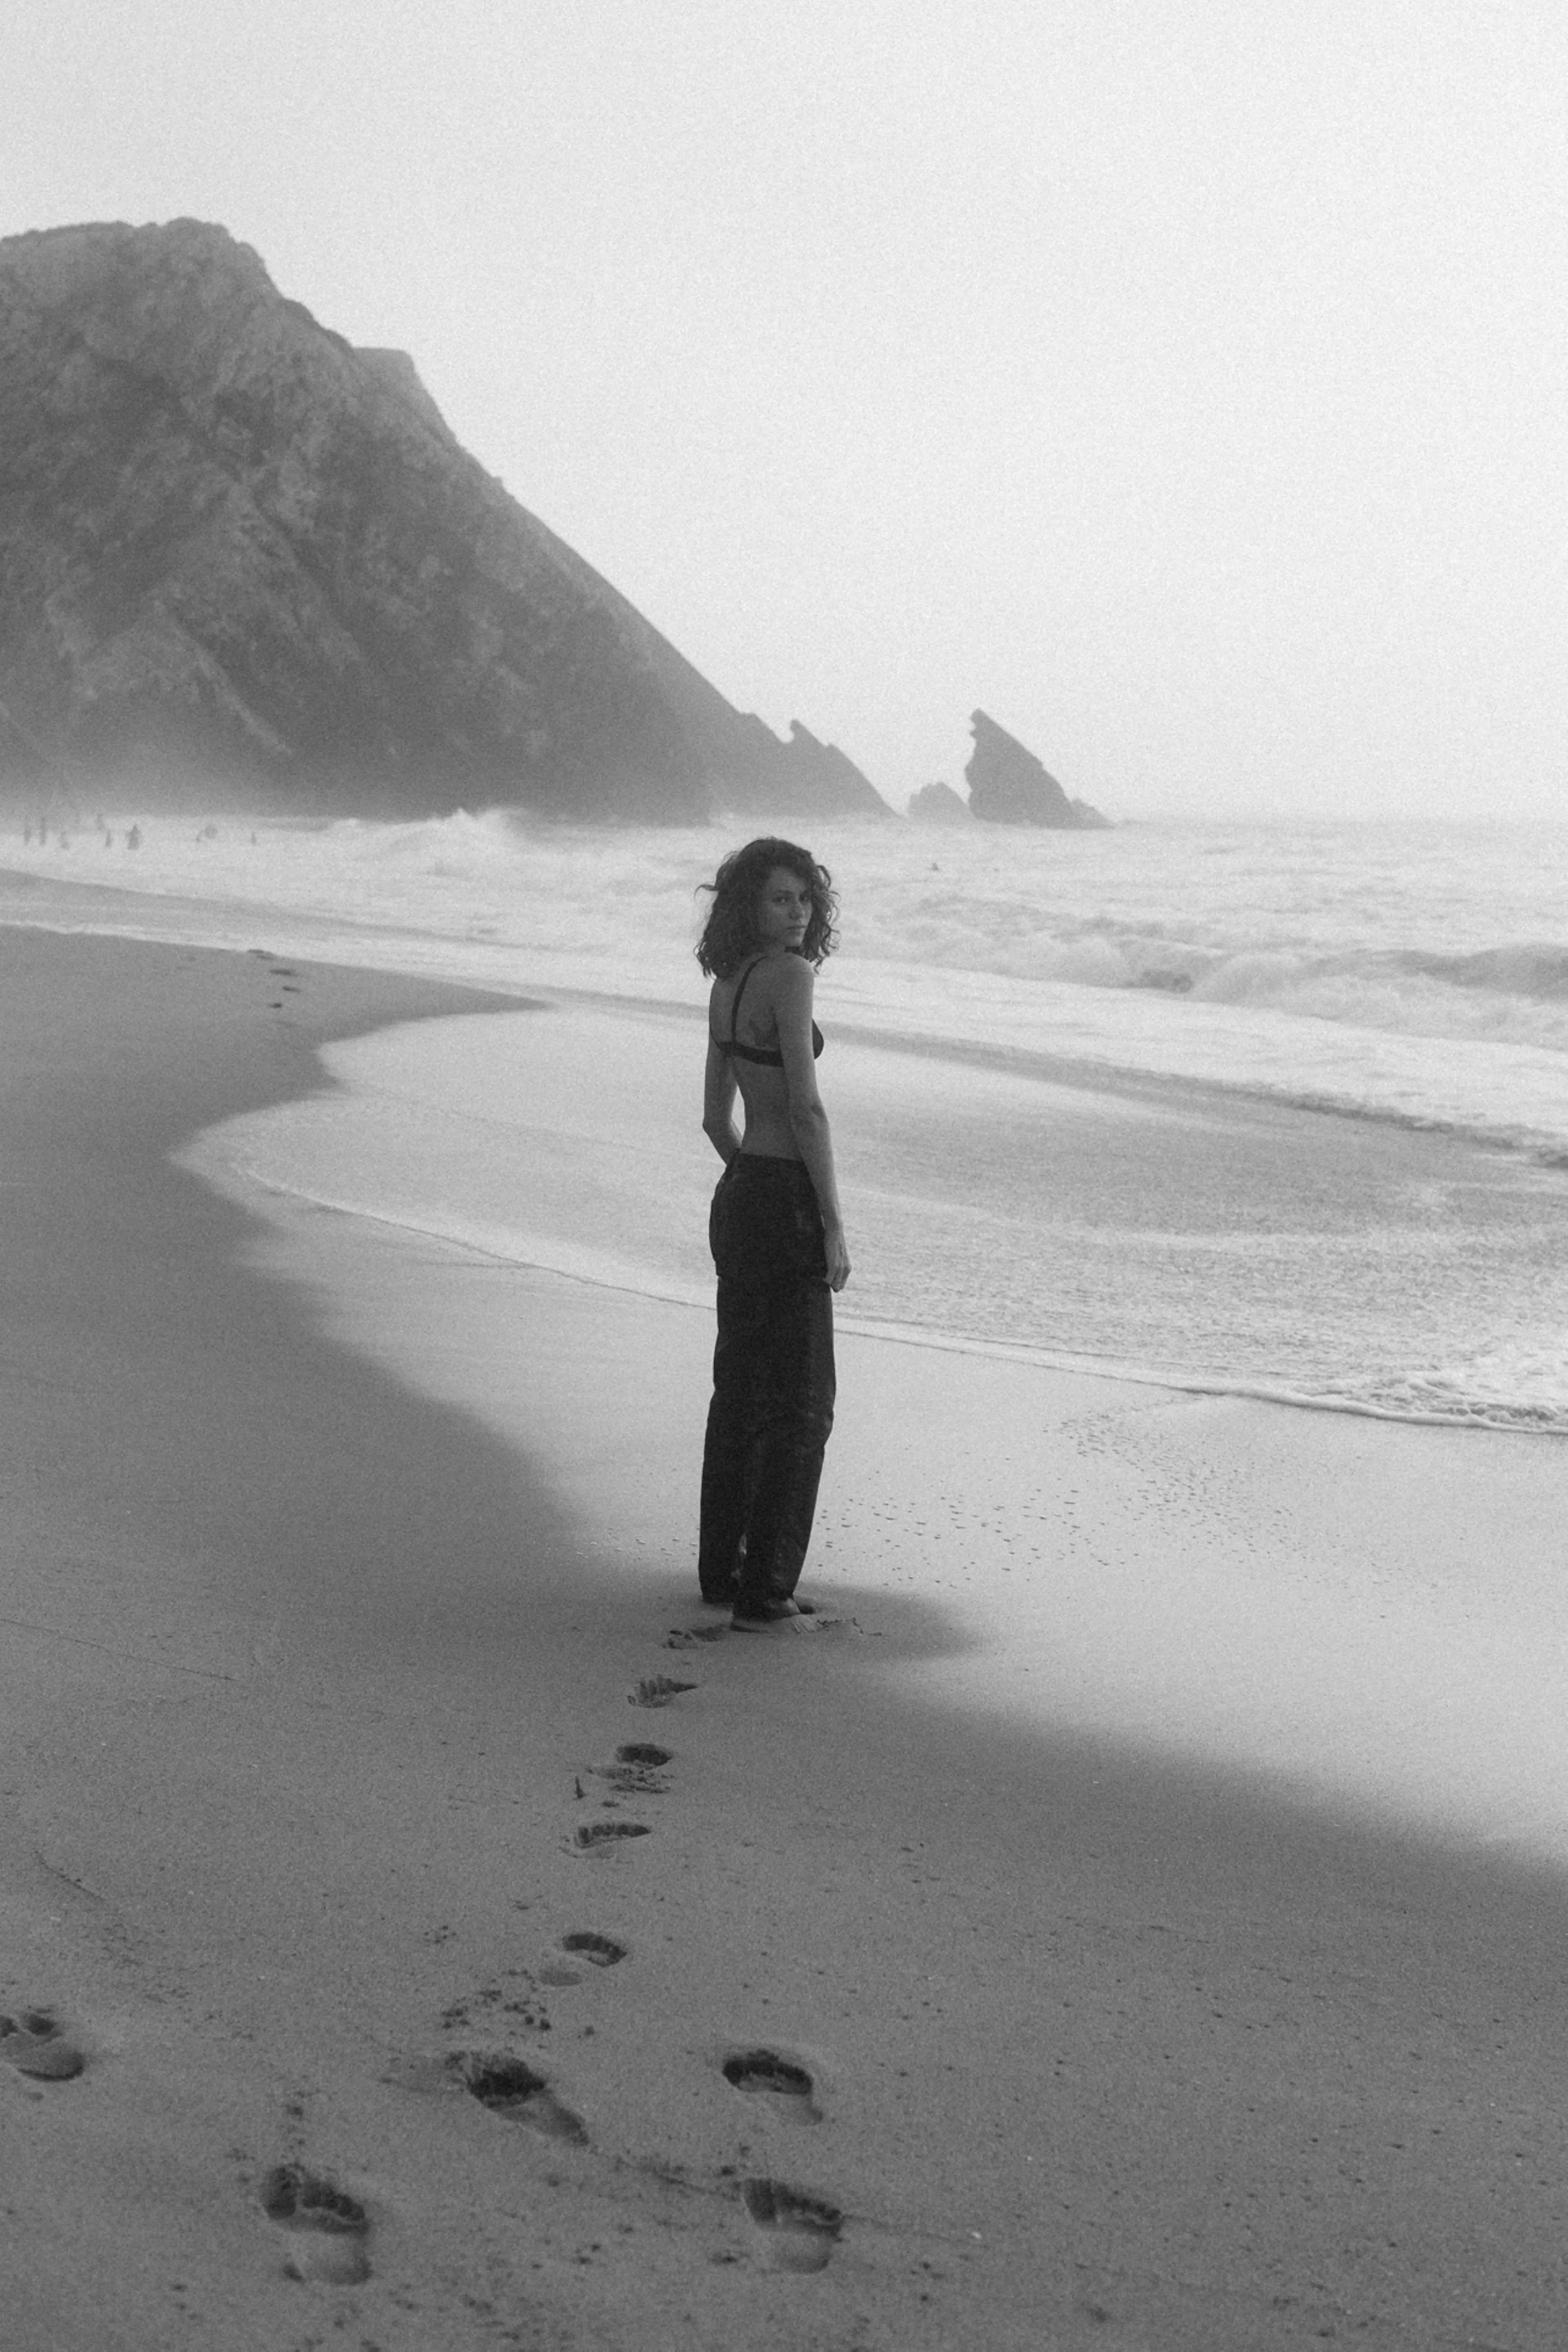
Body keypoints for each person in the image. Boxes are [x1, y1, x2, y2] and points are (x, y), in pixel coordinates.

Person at [695, 838, 851, 1629]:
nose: (796, 914)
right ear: (749, 907)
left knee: (740, 1392)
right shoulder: (791, 978)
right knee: (805, 1405)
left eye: (803, 899)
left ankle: (722, 1572)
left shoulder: (726, 982)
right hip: (784, 1198)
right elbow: (805, 1108)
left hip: (740, 1192)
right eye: (780, 900)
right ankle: (768, 1594)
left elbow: (712, 1117)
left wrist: (748, 1179)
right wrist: (829, 1222)